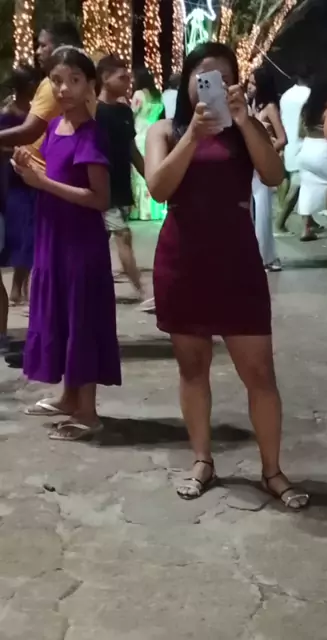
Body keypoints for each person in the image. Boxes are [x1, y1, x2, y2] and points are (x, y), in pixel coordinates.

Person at [145, 42, 309, 509]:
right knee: (192, 368)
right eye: (203, 78)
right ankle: (202, 460)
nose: (211, 87)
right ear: (187, 82)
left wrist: (245, 121)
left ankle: (272, 471)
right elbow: (158, 188)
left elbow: (274, 175)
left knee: (259, 372)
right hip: (183, 260)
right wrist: (193, 137)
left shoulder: (246, 129)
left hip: (237, 259)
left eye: (222, 78)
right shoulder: (165, 130)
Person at [14, 46, 121, 440]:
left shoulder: (91, 134)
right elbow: (56, 175)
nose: (64, 89)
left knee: (81, 320)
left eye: (74, 80)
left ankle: (88, 413)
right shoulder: (56, 126)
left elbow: (99, 199)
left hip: (80, 244)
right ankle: (68, 397)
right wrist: (29, 167)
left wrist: (42, 183)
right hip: (54, 237)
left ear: (90, 85)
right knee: (62, 316)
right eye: (56, 80)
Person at [0, 20, 91, 369]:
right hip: (44, 182)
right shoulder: (60, 92)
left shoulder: (64, 90)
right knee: (49, 274)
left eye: (43, 44)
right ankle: (48, 347)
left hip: (51, 186)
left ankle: (57, 349)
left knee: (55, 275)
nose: (38, 51)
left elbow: (30, 130)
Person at [96, 55, 145, 299]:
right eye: (122, 77)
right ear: (105, 78)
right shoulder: (93, 112)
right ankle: (143, 291)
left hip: (122, 185)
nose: (127, 82)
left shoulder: (125, 111)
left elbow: (131, 149)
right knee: (123, 235)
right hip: (103, 186)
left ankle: (92, 284)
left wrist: (150, 175)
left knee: (99, 239)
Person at [0, 65, 40, 348]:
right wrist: (16, 152)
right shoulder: (7, 115)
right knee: (20, 239)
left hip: (34, 181)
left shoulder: (38, 113)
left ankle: (19, 288)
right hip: (12, 182)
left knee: (29, 240)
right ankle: (17, 289)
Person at [247, 67, 286, 270]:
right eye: (249, 82)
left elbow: (282, 138)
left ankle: (266, 256)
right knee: (250, 212)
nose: (249, 86)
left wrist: (266, 152)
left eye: (254, 83)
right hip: (250, 164)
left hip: (262, 165)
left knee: (263, 212)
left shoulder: (270, 108)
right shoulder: (252, 105)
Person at [296, 75, 327, 240]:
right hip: (321, 150)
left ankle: (306, 229)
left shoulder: (305, 109)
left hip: (306, 149)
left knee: (306, 189)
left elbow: (300, 132)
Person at [130, 68, 167, 223]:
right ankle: (154, 210)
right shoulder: (158, 96)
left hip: (139, 134)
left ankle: (141, 210)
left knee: (138, 174)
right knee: (152, 170)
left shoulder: (139, 95)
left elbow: (132, 113)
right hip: (153, 134)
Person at [277, 67, 311, 233]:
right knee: (297, 187)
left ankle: (309, 221)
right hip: (304, 144)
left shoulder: (286, 95)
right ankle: (280, 222)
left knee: (301, 184)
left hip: (289, 145)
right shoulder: (310, 95)